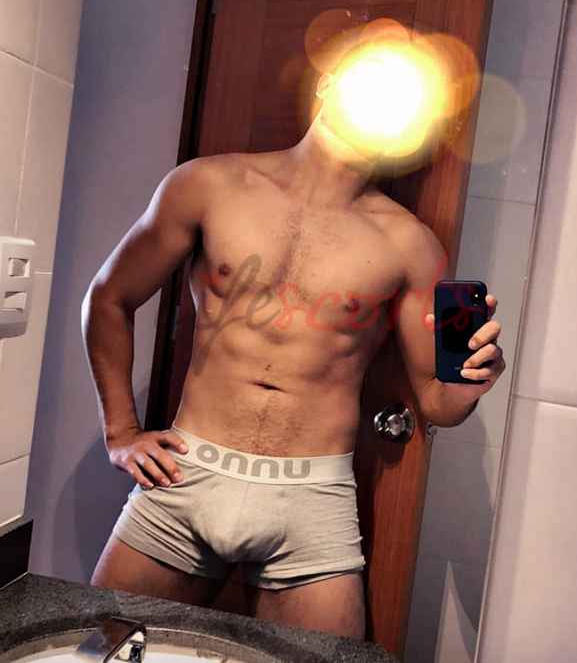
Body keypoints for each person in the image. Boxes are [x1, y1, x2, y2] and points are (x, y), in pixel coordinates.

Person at [81, 41, 505, 641]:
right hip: (185, 476)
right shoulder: (208, 184)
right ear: (328, 84)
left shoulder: (409, 244)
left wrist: (472, 381)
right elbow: (109, 298)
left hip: (310, 499)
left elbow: (436, 403)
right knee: (101, 651)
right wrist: (121, 433)